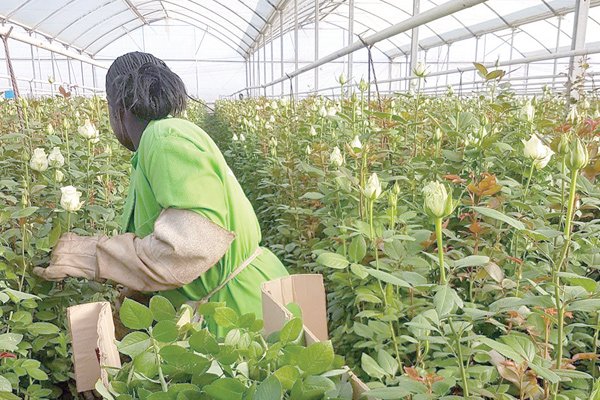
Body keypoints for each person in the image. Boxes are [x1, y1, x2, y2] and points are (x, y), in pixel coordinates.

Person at [34, 51, 288, 335]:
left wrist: (86, 254)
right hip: (236, 305)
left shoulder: (164, 139)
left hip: (238, 317)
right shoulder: (155, 144)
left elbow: (188, 248)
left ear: (117, 107)